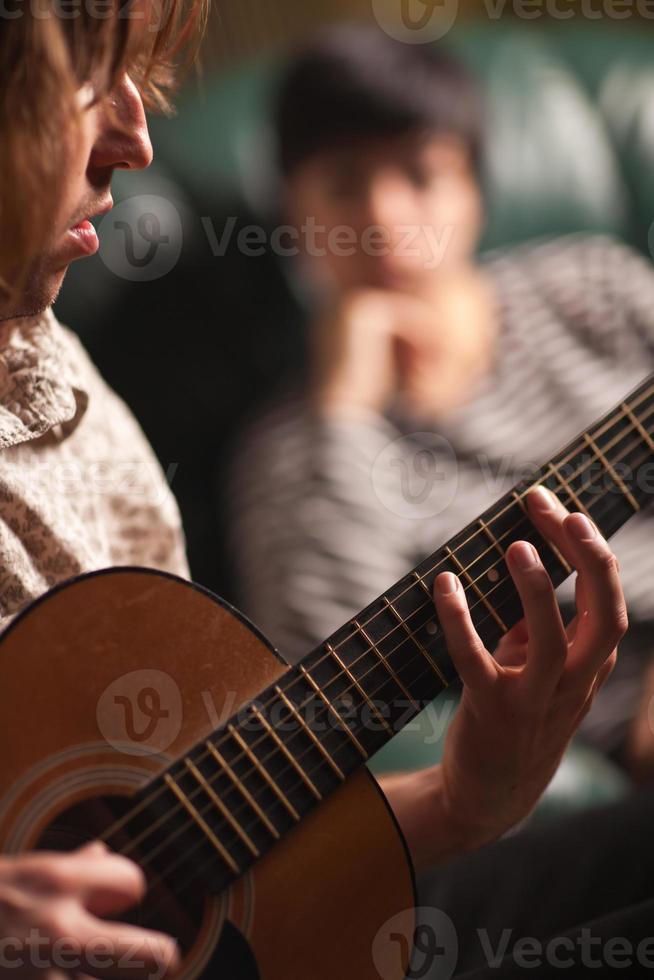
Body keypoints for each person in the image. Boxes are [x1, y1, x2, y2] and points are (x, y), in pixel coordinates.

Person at [0, 5, 629, 978]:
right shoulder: (290, 438)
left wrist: (466, 802)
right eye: (85, 89)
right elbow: (316, 628)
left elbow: (208, 842)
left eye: (420, 174)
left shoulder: (80, 388)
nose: (137, 141)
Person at [229, 22, 654, 778]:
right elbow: (329, 699)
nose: (384, 220)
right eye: (344, 182)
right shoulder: (294, 448)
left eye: (421, 176)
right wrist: (344, 415)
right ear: (294, 212)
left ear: (476, 194)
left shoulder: (595, 288)